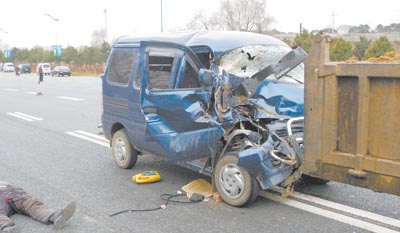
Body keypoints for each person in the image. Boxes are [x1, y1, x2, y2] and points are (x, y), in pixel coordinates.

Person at [0, 181, 76, 232]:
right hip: (8, 191)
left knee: (30, 203)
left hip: (8, 191)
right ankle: (7, 227)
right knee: (30, 204)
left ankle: (55, 216)